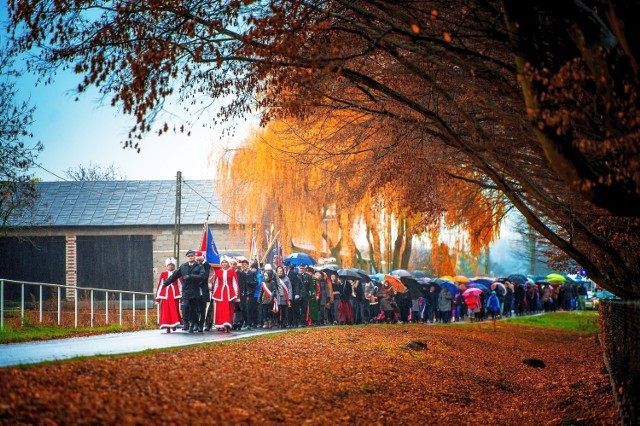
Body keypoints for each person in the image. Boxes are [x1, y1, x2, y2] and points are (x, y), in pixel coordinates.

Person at [163, 250, 206, 333]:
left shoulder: (199, 266)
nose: (191, 257)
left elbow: (202, 276)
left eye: (192, 256)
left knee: (194, 309)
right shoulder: (183, 266)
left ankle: (192, 324)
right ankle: (186, 322)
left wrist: (191, 276)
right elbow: (174, 276)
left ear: (194, 257)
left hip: (195, 290)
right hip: (186, 291)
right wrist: (165, 283)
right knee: (185, 307)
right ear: (187, 257)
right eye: (189, 256)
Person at [212, 258, 240, 332]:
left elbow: (234, 283)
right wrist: (214, 293)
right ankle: (221, 324)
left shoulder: (232, 272)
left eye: (226, 262)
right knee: (220, 308)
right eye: (223, 262)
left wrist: (236, 293)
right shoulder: (218, 272)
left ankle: (227, 323)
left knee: (228, 308)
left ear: (228, 264)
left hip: (229, 292)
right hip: (220, 292)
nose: (224, 264)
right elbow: (216, 283)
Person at [155, 257, 182, 333]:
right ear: (167, 266)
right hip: (165, 295)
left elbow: (180, 285)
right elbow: (160, 285)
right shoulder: (163, 274)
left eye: (172, 265)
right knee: (166, 311)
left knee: (174, 310)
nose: (170, 266)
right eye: (169, 265)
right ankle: (167, 326)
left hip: (174, 294)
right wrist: (158, 297)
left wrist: (181, 295)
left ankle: (174, 324)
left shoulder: (177, 273)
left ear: (174, 266)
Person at [195, 251, 211, 332]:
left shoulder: (206, 265)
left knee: (202, 308)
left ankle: (201, 324)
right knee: (195, 308)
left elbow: (205, 276)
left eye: (199, 260)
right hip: (195, 290)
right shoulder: (195, 265)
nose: (198, 261)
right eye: (197, 260)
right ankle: (195, 324)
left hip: (203, 289)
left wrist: (197, 281)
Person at [260, 264, 278, 329]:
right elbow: (261, 291)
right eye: (264, 276)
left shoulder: (272, 282)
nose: (265, 277)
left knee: (270, 311)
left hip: (270, 299)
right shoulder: (263, 282)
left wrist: (272, 297)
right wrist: (259, 298)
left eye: (266, 275)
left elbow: (274, 290)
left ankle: (271, 321)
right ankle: (266, 322)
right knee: (264, 312)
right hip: (264, 299)